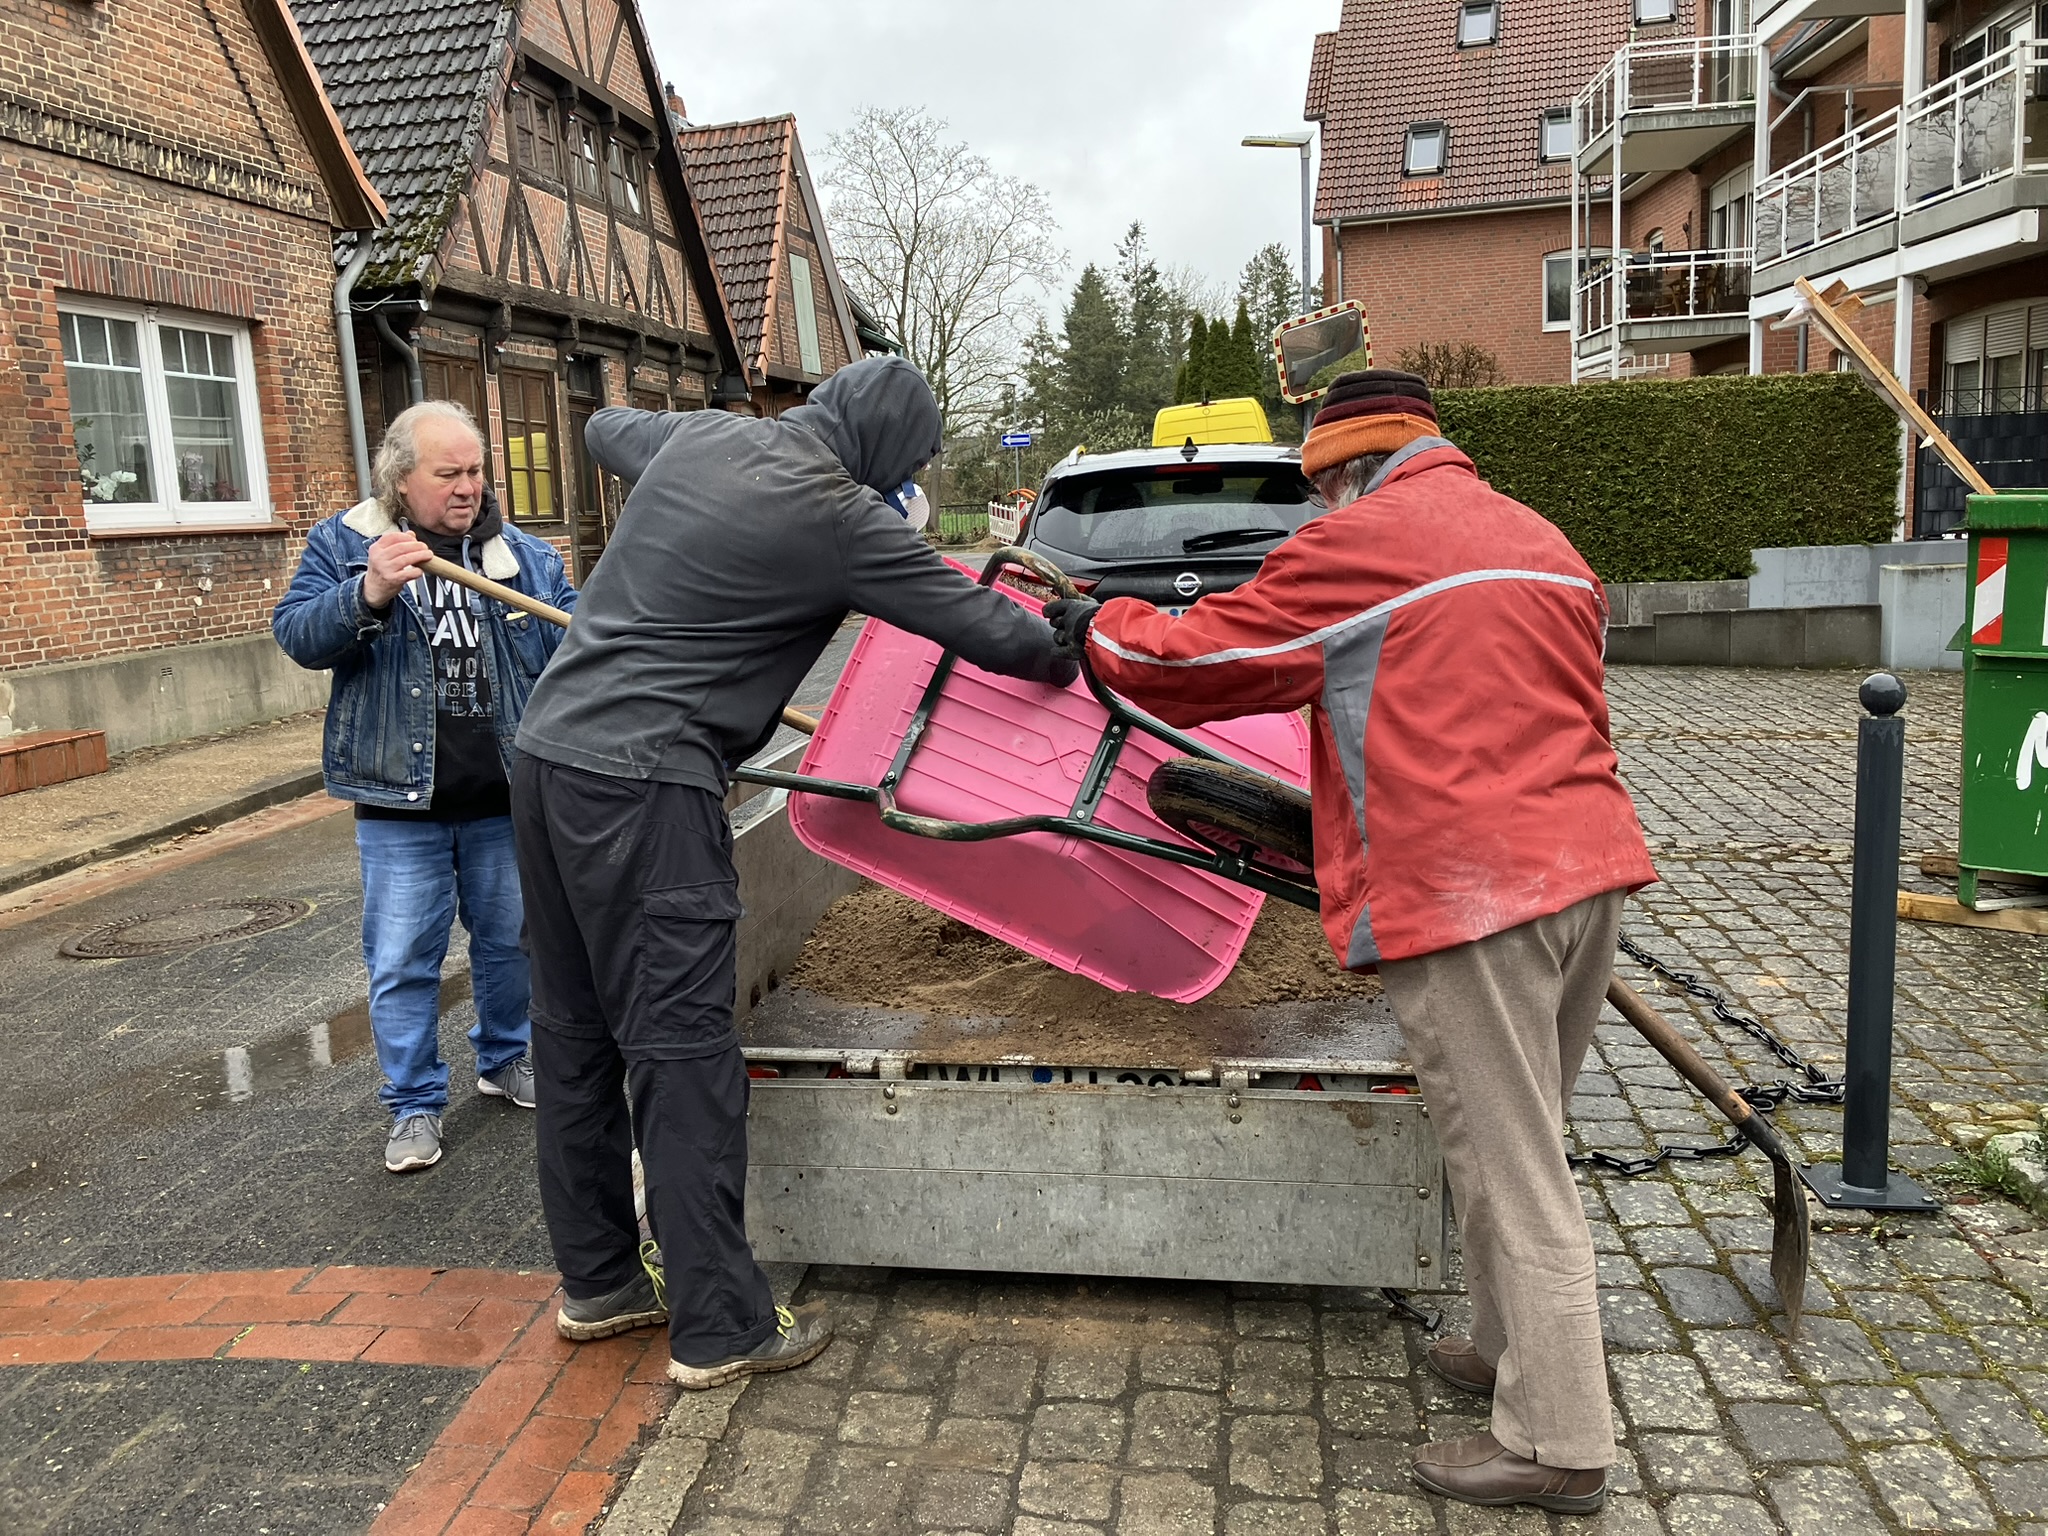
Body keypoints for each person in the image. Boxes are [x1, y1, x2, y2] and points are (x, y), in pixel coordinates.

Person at [1045, 370, 1656, 1515]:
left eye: (1315, 489)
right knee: (1518, 1134)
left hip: (1470, 893)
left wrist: (1098, 627)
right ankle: (1503, 1346)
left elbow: (1193, 665)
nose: (1314, 508)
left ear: (1341, 473)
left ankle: (1558, 1440)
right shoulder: (1539, 539)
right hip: (1589, 869)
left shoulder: (1362, 543)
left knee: (1511, 1165)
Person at [511, 356, 1073, 1389]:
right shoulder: (838, 515)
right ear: (881, 451)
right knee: (681, 1054)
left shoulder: (701, 437)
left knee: (574, 1033)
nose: (904, 488)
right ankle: (720, 1327)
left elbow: (601, 430)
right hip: (646, 787)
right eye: (906, 469)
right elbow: (990, 631)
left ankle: (600, 1284)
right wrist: (1073, 639)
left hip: (546, 763)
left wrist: (675, 440)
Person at [274, 400, 577, 1175]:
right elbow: (298, 635)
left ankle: (506, 1060)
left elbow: (574, 642)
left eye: (476, 471)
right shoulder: (346, 544)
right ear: (401, 479)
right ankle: (412, 1104)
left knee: (512, 945)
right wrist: (367, 593)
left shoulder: (523, 557)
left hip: (503, 795)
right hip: (399, 801)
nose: (469, 487)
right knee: (404, 960)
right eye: (449, 473)